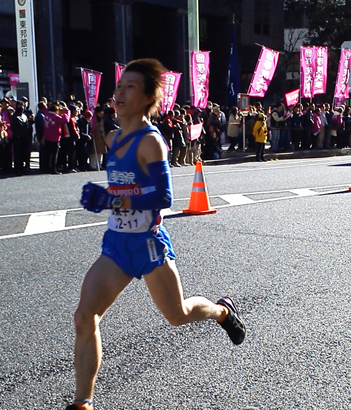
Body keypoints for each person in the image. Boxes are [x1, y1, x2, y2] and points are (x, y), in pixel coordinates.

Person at [69, 59, 246, 410]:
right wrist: (108, 198)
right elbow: (127, 187)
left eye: (130, 86)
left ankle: (222, 312)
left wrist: (111, 197)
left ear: (149, 97)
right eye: (119, 85)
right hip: (116, 244)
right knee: (84, 316)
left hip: (148, 244)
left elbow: (163, 197)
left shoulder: (151, 141)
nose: (119, 92)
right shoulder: (113, 137)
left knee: (177, 315)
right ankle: (82, 401)